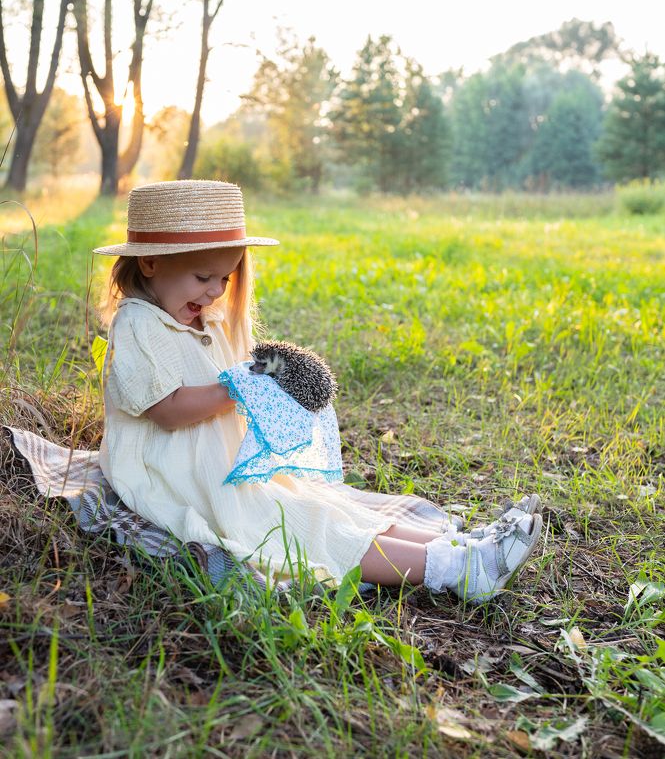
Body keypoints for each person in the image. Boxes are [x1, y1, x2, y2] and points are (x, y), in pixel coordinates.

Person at [95, 180, 542, 602]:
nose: (215, 292)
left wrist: (270, 383)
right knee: (304, 529)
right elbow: (168, 410)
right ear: (150, 264)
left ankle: (462, 544)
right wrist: (238, 387)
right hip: (176, 476)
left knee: (329, 508)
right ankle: (458, 569)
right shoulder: (137, 324)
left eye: (225, 280)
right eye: (202, 277)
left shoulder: (200, 319)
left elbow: (227, 392)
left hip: (220, 466)